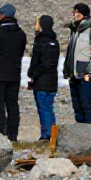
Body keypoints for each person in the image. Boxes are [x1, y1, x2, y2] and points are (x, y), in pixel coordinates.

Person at [0, 4, 26, 141]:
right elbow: (20, 52)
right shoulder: (20, 33)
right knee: (12, 104)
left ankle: (0, 134)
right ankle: (13, 135)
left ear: (2, 15)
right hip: (14, 74)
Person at [64, 3, 91, 124]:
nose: (74, 15)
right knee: (77, 106)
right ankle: (80, 131)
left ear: (84, 14)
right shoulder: (74, 30)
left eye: (77, 13)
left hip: (85, 73)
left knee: (87, 104)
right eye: (74, 12)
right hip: (74, 73)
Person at [28, 14, 60, 142]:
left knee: (44, 109)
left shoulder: (41, 41)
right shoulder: (54, 42)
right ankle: (53, 133)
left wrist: (33, 73)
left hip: (42, 81)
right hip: (52, 81)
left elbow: (41, 63)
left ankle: (47, 135)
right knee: (49, 108)